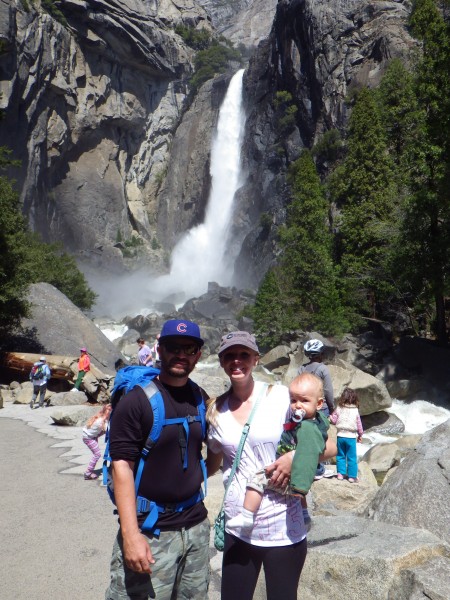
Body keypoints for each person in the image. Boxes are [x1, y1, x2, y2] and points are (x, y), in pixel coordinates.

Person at [206, 331, 337, 600]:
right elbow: (210, 466)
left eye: (244, 355)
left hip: (283, 528)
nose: (237, 361)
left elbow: (332, 445)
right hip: (239, 526)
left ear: (256, 359)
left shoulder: (282, 397)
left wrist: (294, 457)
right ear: (221, 361)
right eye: (230, 355)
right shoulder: (215, 410)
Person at [105, 319, 210, 600]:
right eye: (173, 347)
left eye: (189, 348)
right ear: (159, 349)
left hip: (196, 526)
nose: (181, 354)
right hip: (151, 531)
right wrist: (130, 536)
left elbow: (215, 451)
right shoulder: (136, 402)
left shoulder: (200, 397)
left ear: (198, 355)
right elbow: (121, 468)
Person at [226, 372, 329, 533]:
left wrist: (299, 487)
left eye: (304, 401)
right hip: (298, 476)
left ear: (319, 403)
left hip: (294, 477)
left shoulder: (308, 428)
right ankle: (305, 516)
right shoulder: (313, 420)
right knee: (299, 498)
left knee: (258, 478)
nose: (298, 405)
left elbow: (311, 451)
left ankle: (247, 515)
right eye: (293, 400)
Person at [298, 338, 335, 479]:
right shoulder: (322, 369)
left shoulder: (301, 369)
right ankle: (318, 469)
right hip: (321, 408)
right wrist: (332, 408)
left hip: (304, 408)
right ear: (321, 353)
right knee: (320, 438)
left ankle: (308, 467)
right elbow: (328, 391)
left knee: (306, 437)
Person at [330, 387, 364, 483]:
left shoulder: (339, 408)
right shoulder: (355, 410)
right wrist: (360, 434)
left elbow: (334, 419)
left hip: (340, 436)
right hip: (351, 437)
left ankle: (340, 474)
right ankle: (352, 476)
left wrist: (330, 417)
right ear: (354, 398)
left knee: (340, 455)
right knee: (351, 457)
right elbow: (359, 425)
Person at [82, 404, 112, 480]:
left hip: (90, 436)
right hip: (89, 438)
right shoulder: (102, 422)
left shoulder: (100, 416)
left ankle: (89, 472)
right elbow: (108, 430)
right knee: (97, 454)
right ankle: (88, 473)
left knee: (96, 454)